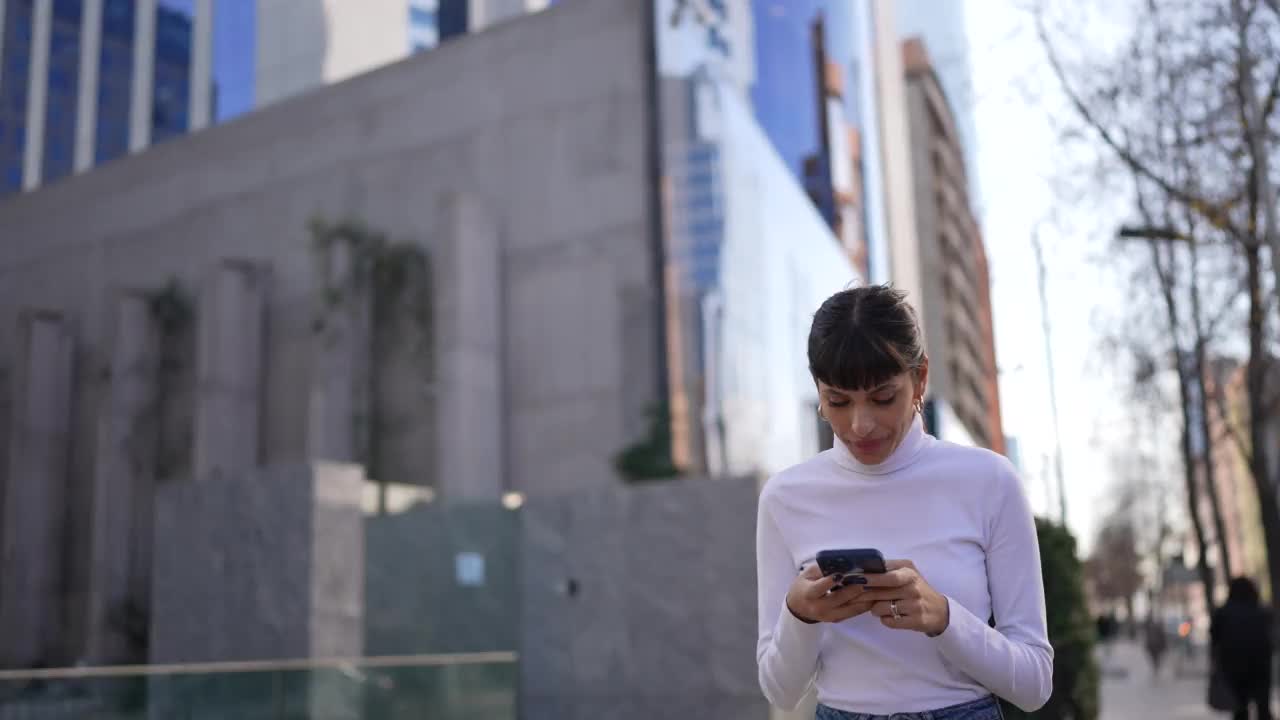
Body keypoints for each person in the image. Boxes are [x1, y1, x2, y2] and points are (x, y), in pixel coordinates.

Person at [755, 285, 1053, 719]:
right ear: (819, 393)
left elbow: (1035, 684)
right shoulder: (785, 498)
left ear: (920, 379)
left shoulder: (989, 481)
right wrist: (799, 614)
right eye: (838, 401)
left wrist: (945, 617)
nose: (860, 425)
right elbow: (779, 692)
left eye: (882, 398)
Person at [1210, 577, 1273, 720]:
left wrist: (1215, 662)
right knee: (1263, 707)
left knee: (1239, 708)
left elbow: (1214, 640)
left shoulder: (1223, 613)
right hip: (1260, 666)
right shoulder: (1262, 611)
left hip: (1233, 668)